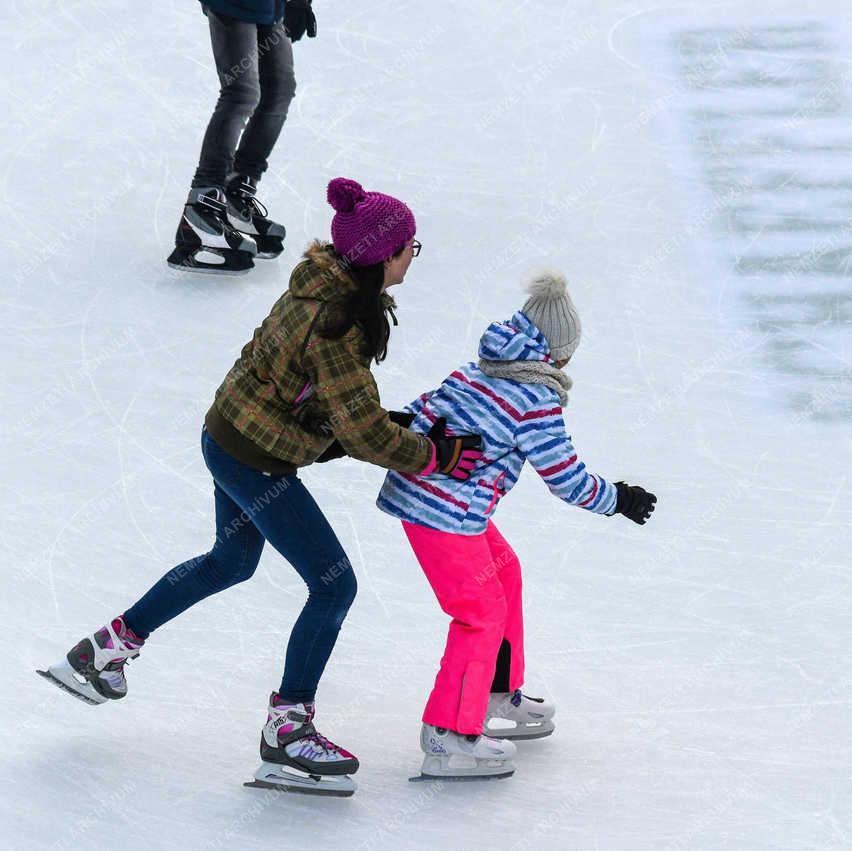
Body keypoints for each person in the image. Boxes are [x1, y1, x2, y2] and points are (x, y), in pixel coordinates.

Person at [39, 178, 483, 798]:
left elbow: (312, 397)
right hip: (256, 458)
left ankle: (103, 652)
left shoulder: (315, 285)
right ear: (384, 256)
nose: (413, 256)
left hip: (229, 434)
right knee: (334, 585)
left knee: (231, 561)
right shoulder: (338, 325)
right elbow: (363, 433)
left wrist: (382, 427)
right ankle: (288, 729)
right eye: (411, 247)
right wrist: (433, 454)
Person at [376, 271, 658, 780]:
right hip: (444, 514)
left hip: (445, 504)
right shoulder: (535, 400)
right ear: (556, 352)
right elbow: (566, 480)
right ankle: (448, 736)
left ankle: (494, 695)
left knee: (504, 572)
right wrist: (619, 499)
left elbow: (420, 411)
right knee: (479, 614)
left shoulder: (479, 368)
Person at [167, 0, 318, 274]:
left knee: (279, 91)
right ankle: (201, 207)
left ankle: (235, 193)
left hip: (272, 8)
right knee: (241, 93)